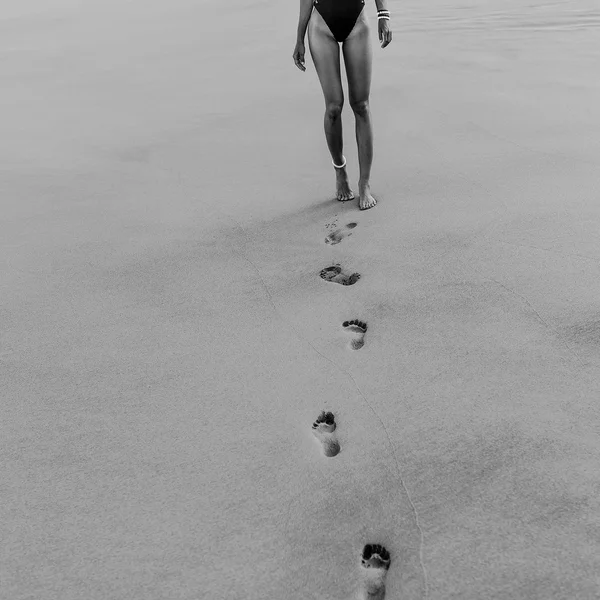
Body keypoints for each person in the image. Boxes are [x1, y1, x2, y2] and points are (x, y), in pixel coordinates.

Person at [293, 0, 392, 210]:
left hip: (356, 20)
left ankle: (364, 183)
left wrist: (383, 14)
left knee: (361, 105)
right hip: (321, 24)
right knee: (333, 107)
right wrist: (299, 38)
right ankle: (340, 171)